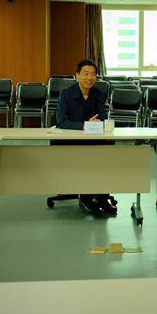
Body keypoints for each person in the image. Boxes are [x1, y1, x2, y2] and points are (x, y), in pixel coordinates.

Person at [56, 59, 114, 215]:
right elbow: (62, 121)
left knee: (107, 157)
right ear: (77, 75)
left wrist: (97, 123)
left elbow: (102, 117)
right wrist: (85, 125)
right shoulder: (66, 94)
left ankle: (103, 197)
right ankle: (86, 198)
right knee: (85, 159)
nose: (90, 78)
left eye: (93, 74)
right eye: (86, 74)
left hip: (94, 139)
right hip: (73, 141)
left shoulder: (98, 94)